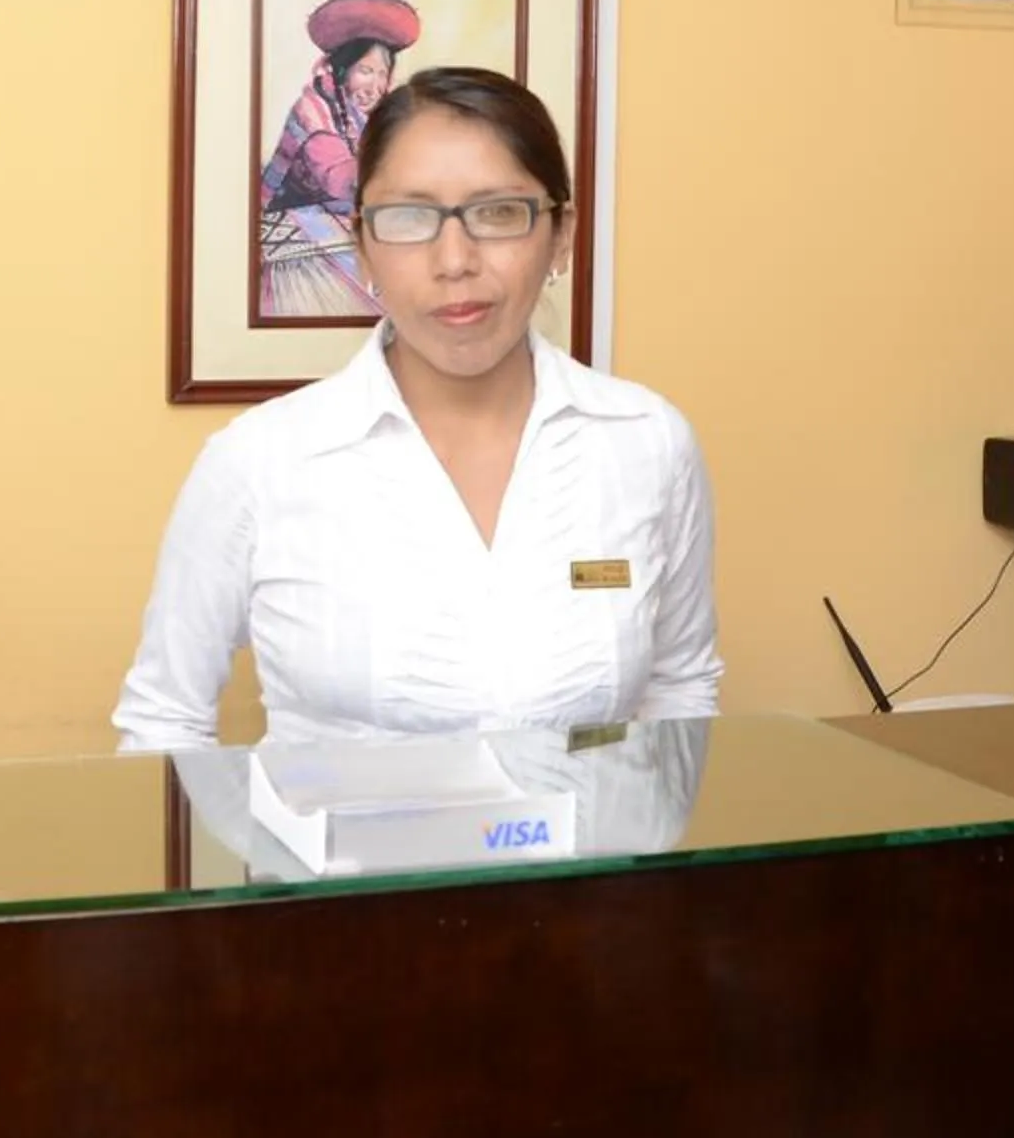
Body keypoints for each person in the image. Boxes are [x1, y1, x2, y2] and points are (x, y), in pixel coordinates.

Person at [116, 66, 721, 748]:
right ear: (363, 245)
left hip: (595, 854)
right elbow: (164, 721)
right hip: (341, 859)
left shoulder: (645, 442)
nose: (455, 259)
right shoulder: (259, 462)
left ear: (560, 235)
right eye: (409, 218)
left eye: (497, 213)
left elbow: (681, 688)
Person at [257, 0, 418, 318]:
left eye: (382, 73)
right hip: (295, 225)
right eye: (365, 70)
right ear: (342, 70)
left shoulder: (373, 113)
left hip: (348, 214)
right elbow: (340, 181)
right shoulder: (312, 112)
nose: (375, 84)